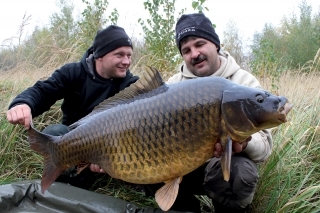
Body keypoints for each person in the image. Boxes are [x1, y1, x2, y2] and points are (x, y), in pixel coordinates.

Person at [143, 13, 272, 213]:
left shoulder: (243, 82)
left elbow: (264, 148)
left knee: (241, 173)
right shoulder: (173, 86)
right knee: (148, 164)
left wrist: (245, 141)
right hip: (183, 166)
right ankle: (187, 209)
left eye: (199, 44)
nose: (194, 54)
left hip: (221, 169)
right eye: (186, 50)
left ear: (215, 44)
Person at [6, 25, 139, 189]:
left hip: (110, 147)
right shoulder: (73, 73)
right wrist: (22, 104)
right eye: (119, 55)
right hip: (75, 144)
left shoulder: (130, 84)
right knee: (54, 133)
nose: (126, 61)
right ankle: (75, 175)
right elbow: (43, 91)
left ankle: (102, 174)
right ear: (100, 56)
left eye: (129, 55)